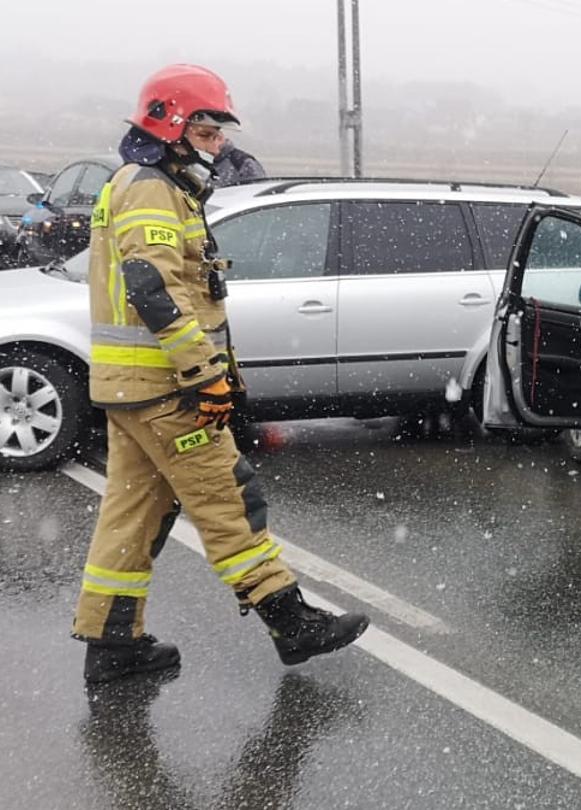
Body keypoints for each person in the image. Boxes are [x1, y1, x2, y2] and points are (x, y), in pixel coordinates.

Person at [71, 64, 367, 684]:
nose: (217, 146)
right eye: (207, 132)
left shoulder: (145, 185)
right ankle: (291, 623)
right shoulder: (150, 187)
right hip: (165, 388)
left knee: (133, 516)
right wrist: (205, 374)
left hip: (134, 389)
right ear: (171, 126)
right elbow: (153, 286)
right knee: (229, 499)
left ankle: (112, 642)